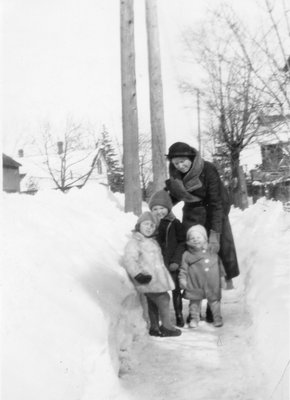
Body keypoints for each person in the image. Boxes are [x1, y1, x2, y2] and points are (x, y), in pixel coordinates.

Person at [165, 141, 239, 322]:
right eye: (176, 163)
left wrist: (215, 234)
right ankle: (194, 308)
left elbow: (216, 202)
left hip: (213, 215)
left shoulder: (208, 169)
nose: (180, 166)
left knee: (213, 260)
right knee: (193, 262)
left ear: (191, 158)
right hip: (192, 216)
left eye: (183, 161)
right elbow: (172, 196)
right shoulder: (175, 176)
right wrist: (159, 209)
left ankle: (211, 310)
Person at [123, 211, 182, 337]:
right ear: (139, 225)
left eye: (152, 225)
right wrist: (138, 274)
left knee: (152, 303)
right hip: (146, 279)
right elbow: (129, 259)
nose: (149, 228)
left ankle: (154, 328)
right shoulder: (134, 242)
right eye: (146, 224)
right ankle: (167, 326)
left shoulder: (152, 241)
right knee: (164, 298)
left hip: (156, 280)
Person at [148, 189, 186, 327]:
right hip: (157, 265)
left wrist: (176, 260)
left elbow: (182, 242)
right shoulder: (149, 224)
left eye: (162, 208)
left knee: (175, 290)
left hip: (171, 264)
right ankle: (160, 318)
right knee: (159, 292)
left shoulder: (175, 223)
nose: (159, 212)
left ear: (168, 208)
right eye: (155, 209)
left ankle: (179, 314)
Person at [179, 225, 226, 328]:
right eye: (192, 238)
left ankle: (217, 318)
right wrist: (182, 279)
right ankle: (194, 318)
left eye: (198, 237)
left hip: (212, 282)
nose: (196, 240)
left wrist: (222, 278)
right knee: (194, 302)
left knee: (214, 301)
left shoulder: (212, 252)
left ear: (205, 238)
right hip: (195, 282)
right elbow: (183, 268)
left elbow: (219, 265)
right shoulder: (187, 254)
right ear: (188, 240)